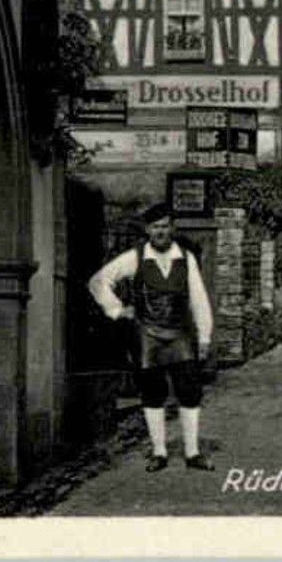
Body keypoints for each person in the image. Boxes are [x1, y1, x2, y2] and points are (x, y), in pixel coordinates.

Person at [89, 202, 216, 471]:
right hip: (147, 335)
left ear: (173, 228)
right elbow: (99, 281)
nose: (161, 232)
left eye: (166, 226)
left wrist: (204, 336)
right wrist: (117, 310)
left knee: (189, 391)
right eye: (156, 227)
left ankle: (192, 453)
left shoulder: (186, 258)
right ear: (148, 230)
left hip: (181, 333)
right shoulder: (135, 257)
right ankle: (159, 453)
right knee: (152, 393)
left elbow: (199, 299)